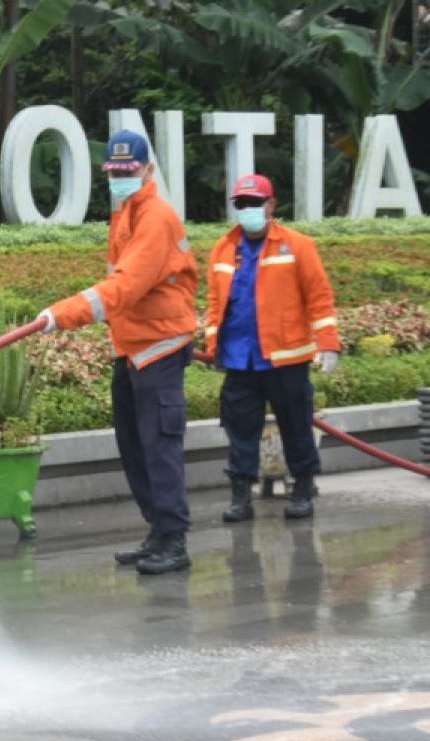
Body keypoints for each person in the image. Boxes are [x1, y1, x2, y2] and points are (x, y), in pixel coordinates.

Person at [36, 130, 198, 575]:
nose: (121, 178)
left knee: (160, 444)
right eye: (115, 172)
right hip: (131, 346)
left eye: (129, 171)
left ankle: (174, 538)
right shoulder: (125, 214)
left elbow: (124, 286)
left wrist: (61, 314)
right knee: (134, 445)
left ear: (147, 170)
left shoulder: (156, 218)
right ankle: (157, 531)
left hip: (160, 346)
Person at [205, 174, 340, 522]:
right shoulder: (223, 248)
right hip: (239, 359)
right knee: (240, 430)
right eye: (242, 204)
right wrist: (211, 343)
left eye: (254, 203)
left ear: (271, 205)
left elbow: (319, 297)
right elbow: (215, 301)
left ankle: (302, 488)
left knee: (295, 425)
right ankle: (240, 497)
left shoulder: (297, 245)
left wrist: (328, 343)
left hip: (286, 357)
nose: (247, 210)